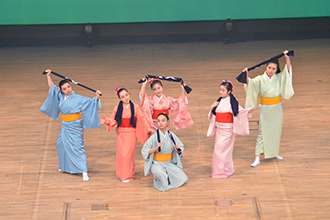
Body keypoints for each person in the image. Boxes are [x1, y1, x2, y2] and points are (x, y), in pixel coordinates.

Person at [40, 69, 102, 181]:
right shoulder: (60, 96)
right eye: (64, 89)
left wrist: (97, 97)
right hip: (65, 125)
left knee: (78, 148)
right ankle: (64, 167)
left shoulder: (78, 98)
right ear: (61, 90)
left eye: (68, 87)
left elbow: (90, 103)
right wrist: (49, 75)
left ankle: (84, 171)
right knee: (60, 144)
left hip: (75, 125)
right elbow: (52, 88)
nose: (67, 89)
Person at [242, 50, 294, 167]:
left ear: (277, 70)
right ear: (266, 67)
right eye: (269, 68)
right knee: (262, 132)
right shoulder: (260, 79)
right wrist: (245, 74)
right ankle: (257, 157)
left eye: (273, 69)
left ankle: (274, 153)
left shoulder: (279, 77)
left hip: (277, 108)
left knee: (276, 131)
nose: (271, 70)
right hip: (265, 109)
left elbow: (288, 71)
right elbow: (250, 84)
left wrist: (287, 58)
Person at [101, 88, 151, 183]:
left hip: (131, 132)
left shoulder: (135, 107)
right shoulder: (117, 108)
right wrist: (106, 121)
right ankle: (121, 174)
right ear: (120, 98)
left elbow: (141, 117)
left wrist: (147, 127)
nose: (126, 98)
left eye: (127, 95)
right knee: (121, 155)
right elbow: (114, 120)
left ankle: (128, 175)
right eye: (123, 97)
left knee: (128, 155)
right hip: (121, 132)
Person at [207, 80, 253, 178]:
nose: (221, 92)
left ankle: (223, 172)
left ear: (229, 91)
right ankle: (222, 170)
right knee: (219, 150)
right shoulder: (219, 101)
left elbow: (240, 112)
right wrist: (212, 108)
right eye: (220, 90)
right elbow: (214, 113)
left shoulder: (232, 103)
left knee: (221, 151)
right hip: (220, 128)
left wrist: (248, 111)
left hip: (228, 129)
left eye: (223, 90)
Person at [142, 113, 188, 191]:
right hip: (157, 163)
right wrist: (155, 148)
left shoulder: (172, 136)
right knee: (160, 173)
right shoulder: (154, 137)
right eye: (159, 121)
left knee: (183, 178)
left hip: (168, 163)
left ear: (168, 122)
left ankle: (166, 179)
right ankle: (160, 181)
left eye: (163, 121)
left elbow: (181, 147)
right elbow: (144, 150)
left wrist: (178, 150)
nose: (161, 123)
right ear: (157, 123)